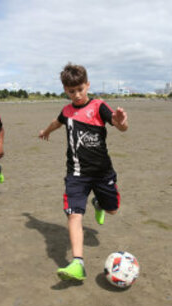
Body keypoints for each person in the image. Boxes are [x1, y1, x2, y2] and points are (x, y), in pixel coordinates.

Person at [38, 63, 128, 282]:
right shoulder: (67, 111)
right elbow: (56, 123)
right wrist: (45, 131)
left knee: (113, 210)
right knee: (73, 214)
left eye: (80, 89)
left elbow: (118, 125)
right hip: (76, 174)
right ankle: (78, 262)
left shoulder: (98, 106)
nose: (77, 95)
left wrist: (121, 122)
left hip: (102, 173)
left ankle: (98, 203)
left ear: (88, 85)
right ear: (65, 90)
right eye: (71, 91)